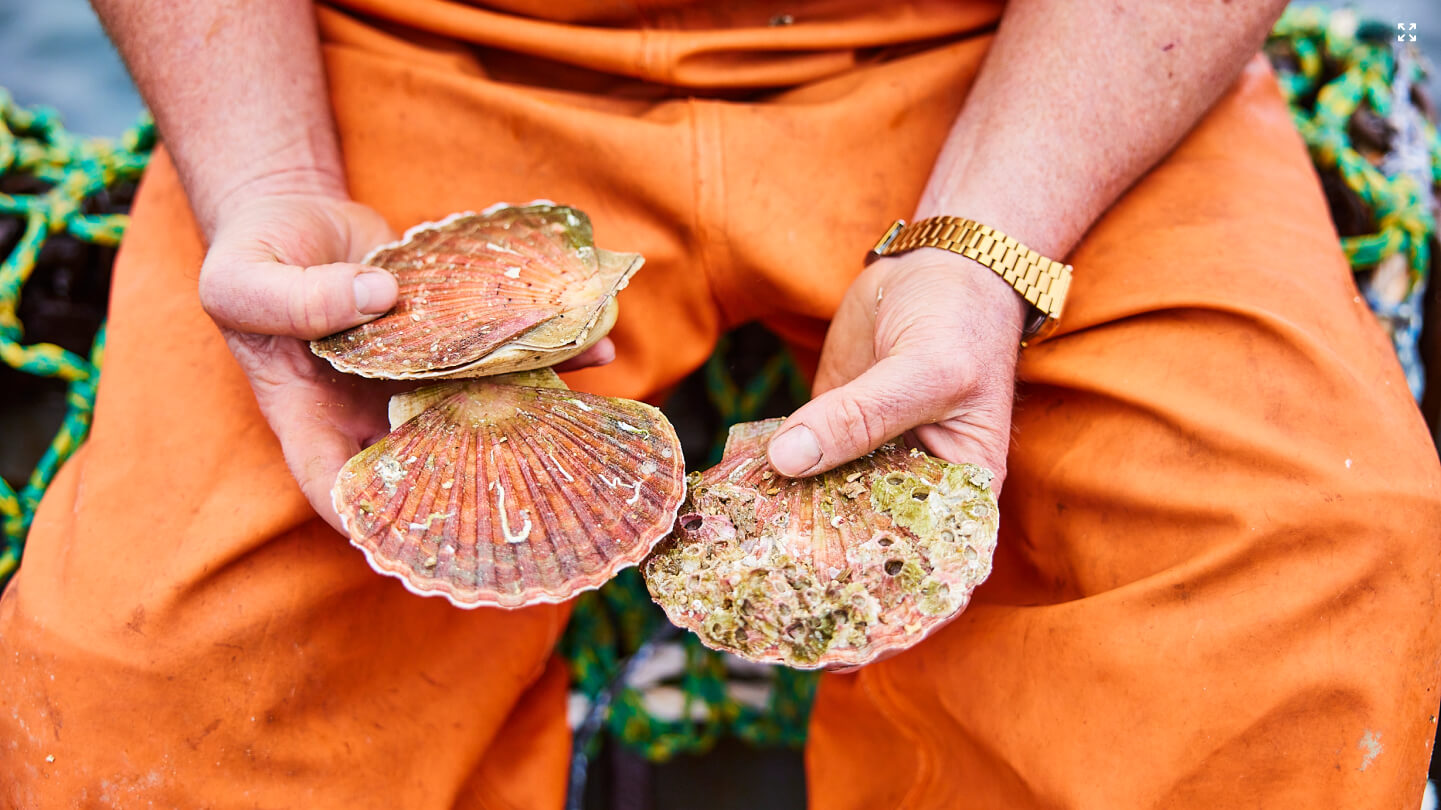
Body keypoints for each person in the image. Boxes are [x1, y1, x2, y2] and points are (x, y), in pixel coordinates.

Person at [2, 0, 1439, 806]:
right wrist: (262, 177)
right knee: (151, 673)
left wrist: (989, 236)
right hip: (395, 48)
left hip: (1038, 70)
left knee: (1305, 554)